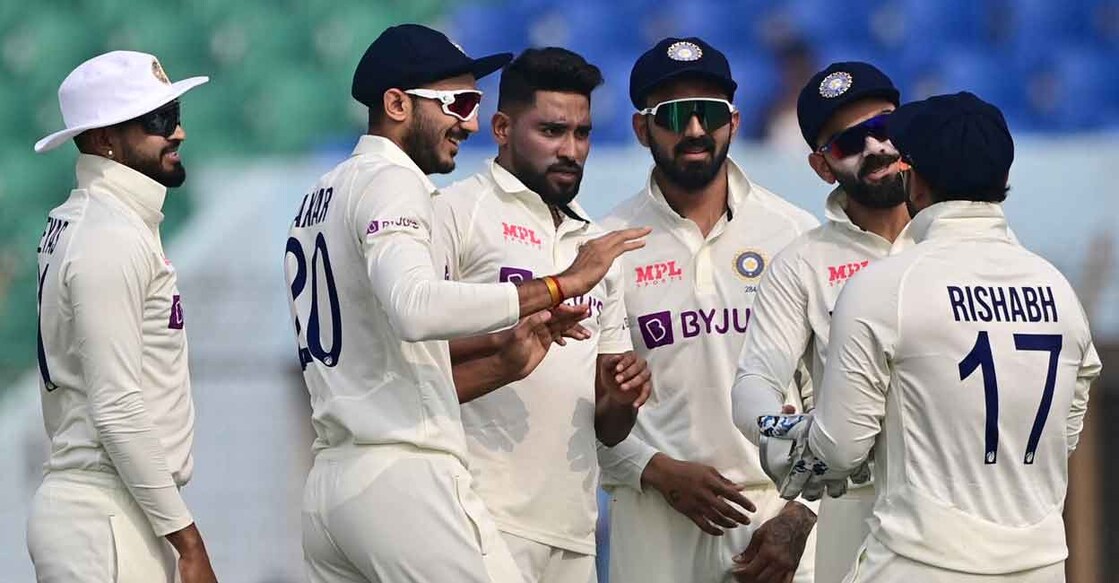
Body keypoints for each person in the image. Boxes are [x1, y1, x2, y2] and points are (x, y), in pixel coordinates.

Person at [287, 25, 649, 583]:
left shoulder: (323, 192)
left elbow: (397, 352)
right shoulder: (397, 184)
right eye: (459, 102)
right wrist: (559, 284)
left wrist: (506, 356)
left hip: (337, 477)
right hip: (402, 471)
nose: (471, 122)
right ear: (397, 104)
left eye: (475, 102)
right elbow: (414, 307)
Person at [773, 91, 1102, 581]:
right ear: (1005, 178)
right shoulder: (1057, 288)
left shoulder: (885, 287)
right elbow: (1066, 430)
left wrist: (779, 439)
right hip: (1041, 567)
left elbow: (840, 450)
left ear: (917, 181)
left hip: (919, 563)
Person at [596, 37, 820, 583]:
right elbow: (582, 411)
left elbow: (835, 394)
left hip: (775, 515)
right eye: (673, 115)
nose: (694, 130)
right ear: (641, 129)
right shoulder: (605, 245)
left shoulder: (793, 234)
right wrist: (656, 470)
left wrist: (803, 512)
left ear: (735, 122)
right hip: (654, 514)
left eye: (709, 113)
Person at [433, 46, 653, 583]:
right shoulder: (457, 213)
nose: (571, 150)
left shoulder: (599, 245)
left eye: (582, 133)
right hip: (474, 516)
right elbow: (410, 356)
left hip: (574, 528)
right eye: (552, 131)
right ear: (503, 127)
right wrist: (506, 342)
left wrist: (624, 397)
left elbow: (609, 426)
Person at [27, 51, 218, 583]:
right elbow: (115, 407)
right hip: (102, 515)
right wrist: (191, 543)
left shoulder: (98, 221)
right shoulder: (107, 233)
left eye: (174, 112)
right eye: (158, 120)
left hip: (113, 511)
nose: (177, 132)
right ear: (105, 139)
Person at [730, 62, 910, 582]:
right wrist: (796, 433)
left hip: (951, 501)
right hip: (854, 511)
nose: (876, 148)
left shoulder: (954, 242)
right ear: (822, 166)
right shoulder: (802, 262)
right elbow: (755, 383)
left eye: (885, 129)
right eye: (850, 141)